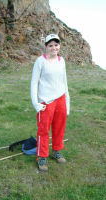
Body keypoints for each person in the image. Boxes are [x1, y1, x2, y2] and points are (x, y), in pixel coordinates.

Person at [31, 34, 70, 171]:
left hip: (60, 99)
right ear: (46, 47)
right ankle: (42, 157)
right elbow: (34, 83)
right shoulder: (40, 61)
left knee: (59, 128)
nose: (54, 48)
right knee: (43, 130)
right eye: (50, 45)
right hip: (46, 102)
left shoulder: (62, 60)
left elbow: (64, 82)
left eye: (56, 45)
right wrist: (36, 103)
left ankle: (57, 151)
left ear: (59, 46)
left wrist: (67, 102)